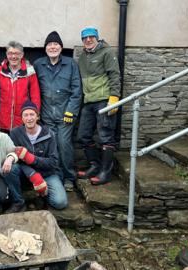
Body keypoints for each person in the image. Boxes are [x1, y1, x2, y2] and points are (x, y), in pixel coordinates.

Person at [33, 31, 82, 192]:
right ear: (45, 48)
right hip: (46, 115)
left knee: (64, 144)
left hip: (65, 115)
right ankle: (57, 176)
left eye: (56, 44)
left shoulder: (70, 64)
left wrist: (71, 112)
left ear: (61, 47)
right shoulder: (38, 64)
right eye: (49, 45)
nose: (52, 47)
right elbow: (33, 88)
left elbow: (77, 90)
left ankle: (69, 177)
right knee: (51, 147)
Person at [76, 27, 121, 186]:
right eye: (85, 38)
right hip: (88, 101)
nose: (88, 40)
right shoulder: (82, 57)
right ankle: (94, 165)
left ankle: (105, 172)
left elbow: (115, 75)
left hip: (104, 100)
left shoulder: (107, 52)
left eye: (91, 37)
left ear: (97, 38)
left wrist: (114, 98)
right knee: (83, 136)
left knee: (105, 136)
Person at [7, 100, 68, 211]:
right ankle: (18, 202)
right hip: (26, 174)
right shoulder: (15, 133)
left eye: (32, 114)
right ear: (22, 118)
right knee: (11, 167)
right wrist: (33, 175)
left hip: (47, 173)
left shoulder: (49, 134)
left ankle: (43, 197)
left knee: (60, 202)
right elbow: (17, 159)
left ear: (37, 117)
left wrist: (32, 159)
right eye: (26, 115)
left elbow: (54, 162)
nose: (29, 118)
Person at [0, 41, 41, 132]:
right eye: (10, 53)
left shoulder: (30, 72)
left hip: (22, 123)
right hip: (2, 122)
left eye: (16, 53)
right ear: (6, 54)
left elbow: (35, 97)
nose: (13, 56)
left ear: (22, 55)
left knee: (20, 147)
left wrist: (34, 117)